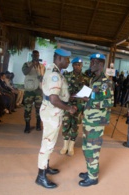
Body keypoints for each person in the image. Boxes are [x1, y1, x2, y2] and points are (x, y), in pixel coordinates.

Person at [35, 48, 77, 189]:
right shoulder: (55, 75)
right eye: (67, 59)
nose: (68, 62)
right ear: (59, 58)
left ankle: (45, 167)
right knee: (47, 143)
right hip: (52, 112)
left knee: (49, 141)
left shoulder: (56, 72)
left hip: (52, 111)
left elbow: (60, 94)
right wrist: (69, 108)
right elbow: (54, 99)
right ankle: (41, 176)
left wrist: (75, 96)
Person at [78, 53, 114, 187]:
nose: (90, 65)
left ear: (100, 64)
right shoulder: (93, 80)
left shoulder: (106, 82)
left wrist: (90, 101)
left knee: (92, 149)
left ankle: (93, 177)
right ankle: (90, 171)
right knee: (86, 147)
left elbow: (108, 102)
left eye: (93, 63)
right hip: (89, 120)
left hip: (97, 122)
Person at [60, 57, 89, 156]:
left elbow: (87, 93)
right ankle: (65, 145)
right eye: (76, 64)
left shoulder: (85, 78)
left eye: (79, 65)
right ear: (72, 65)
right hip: (67, 104)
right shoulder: (66, 76)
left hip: (79, 104)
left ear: (82, 66)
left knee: (75, 125)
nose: (77, 66)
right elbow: (61, 90)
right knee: (66, 124)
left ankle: (71, 145)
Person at [22, 50, 45, 133]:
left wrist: (42, 78)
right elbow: (25, 72)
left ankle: (38, 124)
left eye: (37, 55)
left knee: (39, 109)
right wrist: (32, 64)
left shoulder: (42, 66)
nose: (36, 57)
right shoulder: (27, 64)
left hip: (39, 90)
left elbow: (44, 77)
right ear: (32, 56)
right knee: (27, 109)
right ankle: (27, 126)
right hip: (29, 90)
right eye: (34, 55)